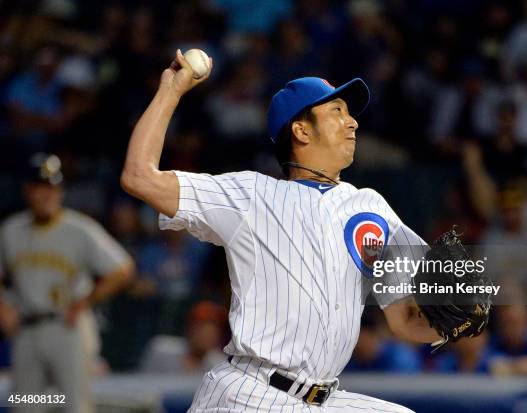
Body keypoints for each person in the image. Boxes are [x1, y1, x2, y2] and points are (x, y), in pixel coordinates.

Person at [121, 49, 441, 412]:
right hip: (250, 394)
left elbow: (405, 323)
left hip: (325, 398)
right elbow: (139, 177)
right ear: (301, 130)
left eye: (350, 113)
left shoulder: (370, 206)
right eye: (337, 111)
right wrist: (171, 91)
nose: (352, 122)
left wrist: (453, 322)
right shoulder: (250, 194)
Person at [0, 153, 135, 413]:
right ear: (28, 190)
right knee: (25, 405)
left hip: (67, 327)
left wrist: (85, 302)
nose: (48, 194)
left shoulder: (79, 228)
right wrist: (3, 308)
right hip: (27, 328)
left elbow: (123, 268)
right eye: (41, 187)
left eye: (53, 187)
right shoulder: (11, 230)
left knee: (75, 406)